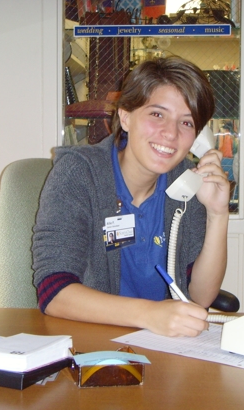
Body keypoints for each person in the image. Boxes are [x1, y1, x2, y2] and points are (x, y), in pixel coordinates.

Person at [32, 56, 230, 337]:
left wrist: (218, 213)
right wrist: (149, 315)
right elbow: (53, 291)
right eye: (157, 114)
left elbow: (200, 297)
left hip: (165, 343)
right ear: (125, 117)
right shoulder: (80, 173)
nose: (171, 134)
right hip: (92, 339)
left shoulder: (186, 186)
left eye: (186, 123)